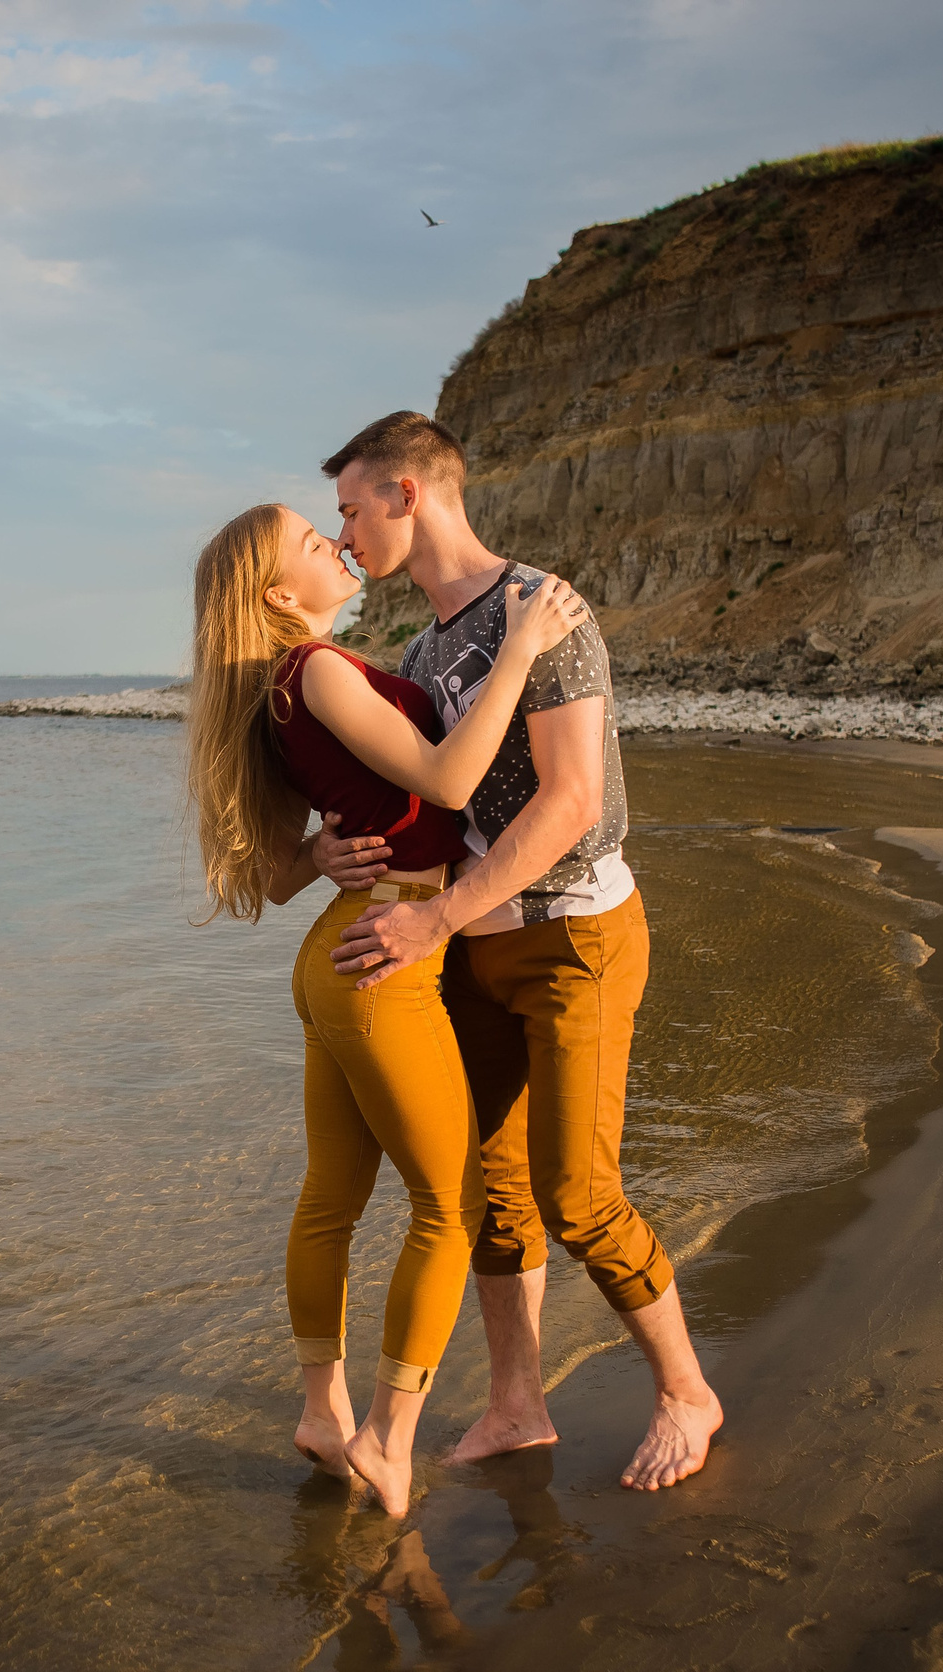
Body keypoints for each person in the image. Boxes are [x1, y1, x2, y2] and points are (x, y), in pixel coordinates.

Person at [308, 411, 724, 1492]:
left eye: (350, 509)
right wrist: (327, 853)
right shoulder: (421, 651)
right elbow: (425, 805)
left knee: (577, 1191)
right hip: (468, 955)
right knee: (488, 1190)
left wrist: (434, 920)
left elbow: (571, 799)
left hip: (574, 935)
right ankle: (516, 1404)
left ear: (406, 492)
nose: (343, 536)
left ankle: (688, 1390)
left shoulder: (542, 610)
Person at [185, 501, 592, 1515]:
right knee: (451, 1207)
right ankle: (386, 1437)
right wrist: (522, 647)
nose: (333, 542)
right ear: (279, 594)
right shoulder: (316, 669)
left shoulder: (280, 688)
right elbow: (449, 780)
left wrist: (319, 852)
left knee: (331, 1199)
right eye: (309, 541)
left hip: (342, 952)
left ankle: (322, 1412)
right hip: (383, 958)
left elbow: (277, 876)